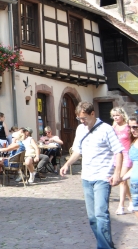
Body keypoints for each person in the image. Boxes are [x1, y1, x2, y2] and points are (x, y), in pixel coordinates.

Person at [61, 101, 123, 249]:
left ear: (93, 114)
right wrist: (67, 164)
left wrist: (117, 173)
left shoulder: (106, 129)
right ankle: (107, 245)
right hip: (86, 177)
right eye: (79, 119)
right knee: (92, 218)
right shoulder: (80, 129)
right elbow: (77, 151)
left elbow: (118, 151)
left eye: (84, 118)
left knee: (101, 215)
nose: (82, 121)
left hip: (103, 176)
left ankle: (103, 247)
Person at [111, 107, 134, 215]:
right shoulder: (114, 126)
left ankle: (121, 206)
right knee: (122, 181)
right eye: (114, 115)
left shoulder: (128, 127)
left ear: (122, 115)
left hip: (127, 154)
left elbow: (133, 139)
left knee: (122, 180)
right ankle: (131, 200)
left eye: (117, 115)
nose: (115, 117)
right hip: (117, 155)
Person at [119, 115, 137, 218]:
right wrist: (121, 179)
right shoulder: (133, 142)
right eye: (130, 127)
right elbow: (136, 166)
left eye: (135, 127)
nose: (131, 130)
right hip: (135, 184)